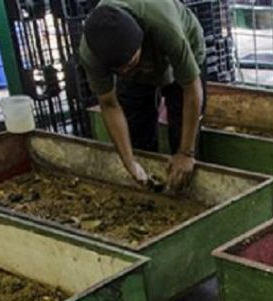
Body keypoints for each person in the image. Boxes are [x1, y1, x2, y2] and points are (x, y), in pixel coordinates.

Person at [79, 0, 206, 189]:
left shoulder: (164, 26)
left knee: (182, 134)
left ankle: (185, 185)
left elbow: (191, 88)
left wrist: (186, 152)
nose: (126, 71)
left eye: (130, 64)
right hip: (136, 68)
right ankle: (151, 185)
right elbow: (109, 104)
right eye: (119, 70)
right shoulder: (91, 54)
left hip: (184, 44)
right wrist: (129, 162)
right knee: (137, 129)